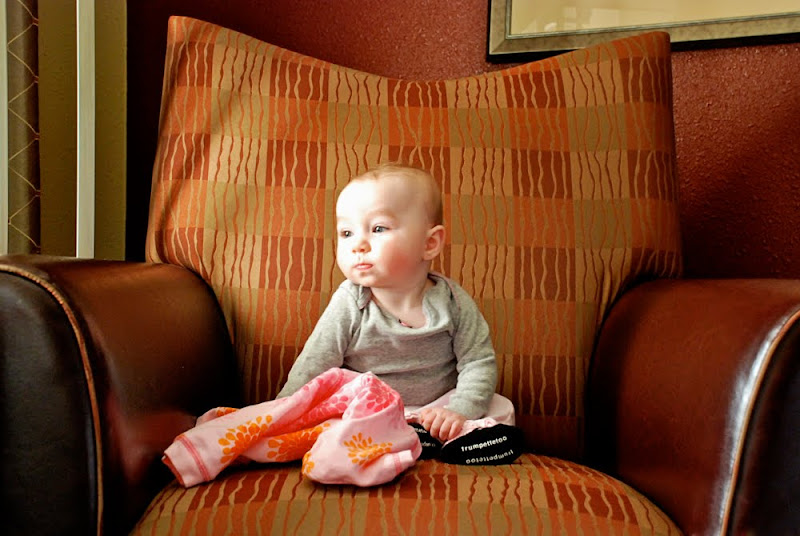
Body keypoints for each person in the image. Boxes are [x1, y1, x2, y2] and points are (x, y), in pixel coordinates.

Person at [278, 163, 521, 463]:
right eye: (346, 232)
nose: (358, 245)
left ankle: (447, 437)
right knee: (333, 415)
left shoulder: (453, 302)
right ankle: (418, 440)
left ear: (429, 243)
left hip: (437, 410)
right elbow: (314, 365)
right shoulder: (351, 302)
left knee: (499, 406)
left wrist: (458, 412)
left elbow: (478, 362)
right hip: (370, 411)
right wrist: (282, 412)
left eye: (378, 229)